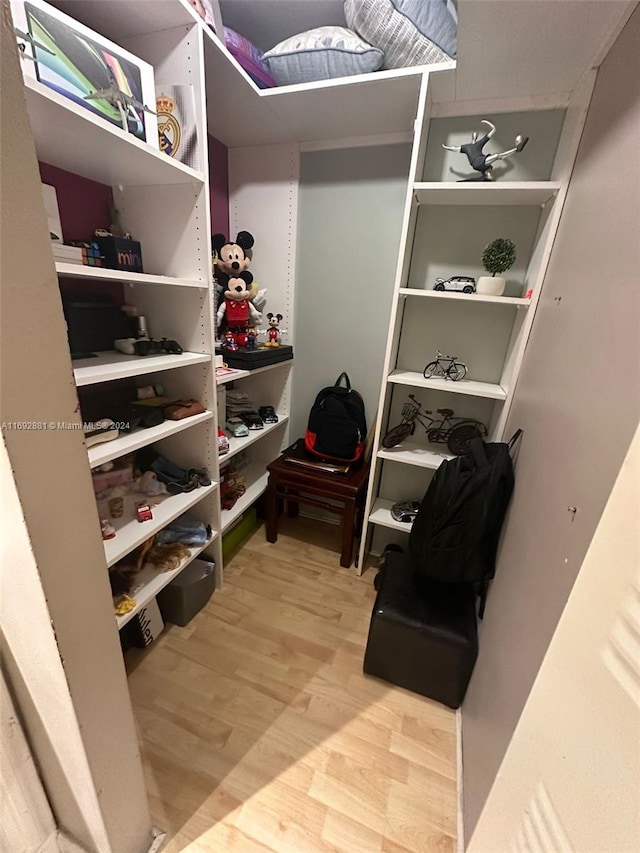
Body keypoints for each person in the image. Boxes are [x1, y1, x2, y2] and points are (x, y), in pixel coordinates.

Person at [442, 120, 529, 181]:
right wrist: (446, 147)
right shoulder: (466, 147)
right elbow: (455, 148)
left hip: (481, 163)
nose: (475, 135)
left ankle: (487, 175)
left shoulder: (479, 143)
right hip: (478, 162)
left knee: (491, 165)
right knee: (497, 156)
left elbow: (493, 130)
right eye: (474, 135)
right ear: (473, 137)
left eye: (476, 134)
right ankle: (517, 149)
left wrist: (487, 122)